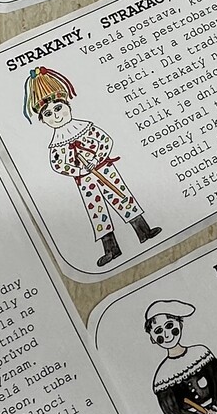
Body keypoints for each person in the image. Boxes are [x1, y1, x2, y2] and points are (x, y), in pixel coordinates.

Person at [25, 66, 160, 268]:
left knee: (122, 198)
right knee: (97, 211)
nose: (56, 115)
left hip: (104, 169)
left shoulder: (85, 127)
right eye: (49, 113)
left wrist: (97, 159)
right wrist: (80, 170)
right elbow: (59, 165)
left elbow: (105, 141)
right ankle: (111, 249)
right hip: (85, 180)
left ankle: (144, 232)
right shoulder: (56, 144)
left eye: (58, 108)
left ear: (67, 105)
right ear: (43, 120)